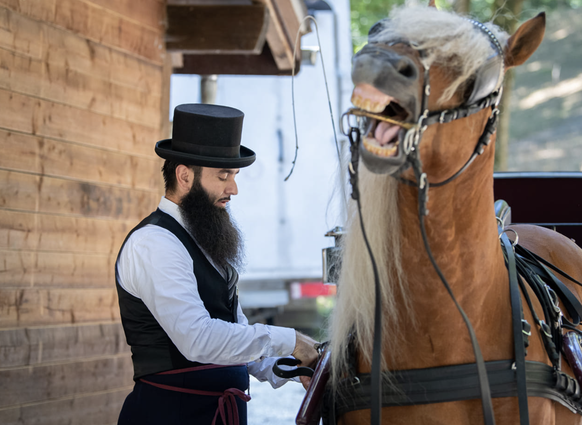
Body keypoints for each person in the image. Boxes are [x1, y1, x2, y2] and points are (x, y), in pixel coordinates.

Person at [115, 103, 319, 425]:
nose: (233, 189)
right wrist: (291, 339)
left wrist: (305, 367)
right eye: (223, 176)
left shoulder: (202, 241)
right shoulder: (154, 243)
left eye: (234, 176)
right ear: (184, 175)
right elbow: (198, 339)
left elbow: (237, 339)